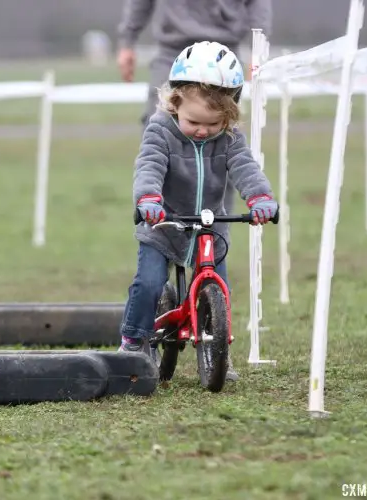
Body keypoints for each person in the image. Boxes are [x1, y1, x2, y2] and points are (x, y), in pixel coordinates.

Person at [118, 42, 278, 382]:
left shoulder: (230, 138)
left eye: (213, 123)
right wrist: (148, 199)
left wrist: (260, 197)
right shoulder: (161, 129)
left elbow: (245, 167)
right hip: (163, 223)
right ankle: (133, 341)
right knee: (149, 283)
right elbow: (149, 165)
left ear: (230, 114)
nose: (203, 130)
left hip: (210, 225)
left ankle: (219, 353)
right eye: (194, 121)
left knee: (220, 286)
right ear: (175, 103)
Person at [116, 0, 272, 218]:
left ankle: (213, 237)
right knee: (158, 144)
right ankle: (159, 232)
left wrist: (259, 46)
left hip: (224, 59)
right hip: (173, 53)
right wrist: (127, 40)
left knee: (225, 146)